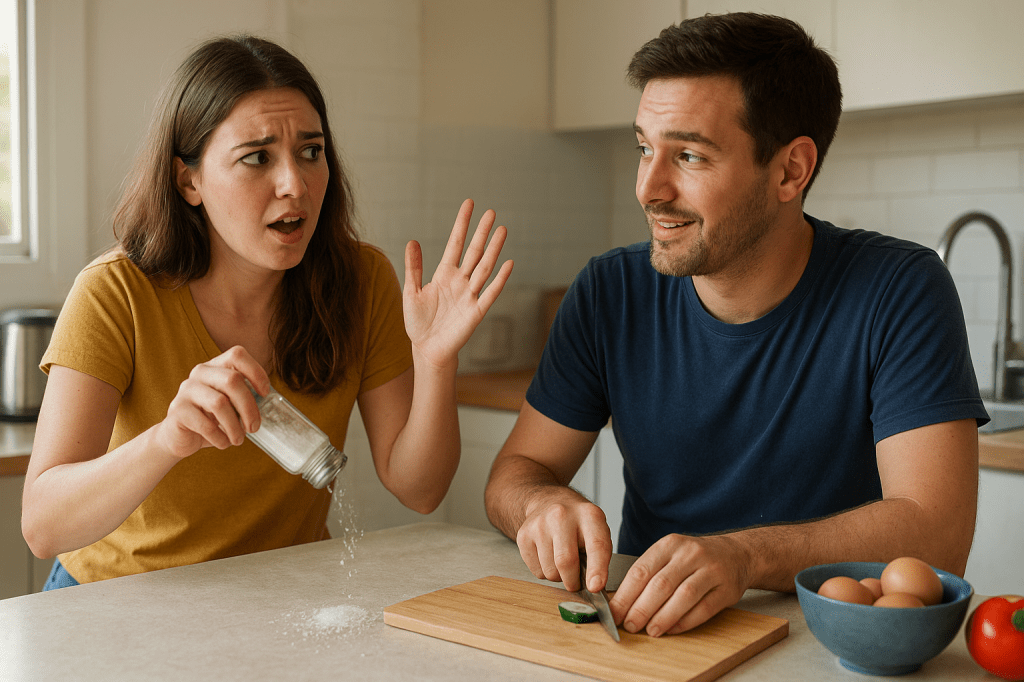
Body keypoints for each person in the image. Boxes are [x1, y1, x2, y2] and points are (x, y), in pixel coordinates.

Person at [484, 12, 986, 637]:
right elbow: (516, 472)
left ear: (789, 171)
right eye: (644, 147)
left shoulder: (898, 288)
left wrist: (744, 556)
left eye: (689, 155)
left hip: (827, 642)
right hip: (652, 633)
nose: (648, 187)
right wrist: (541, 502)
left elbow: (937, 533)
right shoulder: (608, 292)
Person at [21, 35, 513, 589]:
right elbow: (43, 526)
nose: (295, 184)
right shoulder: (115, 294)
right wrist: (167, 439)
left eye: (311, 151)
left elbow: (419, 489)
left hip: (279, 591)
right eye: (257, 157)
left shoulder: (360, 282)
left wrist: (435, 360)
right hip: (114, 597)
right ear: (190, 181)